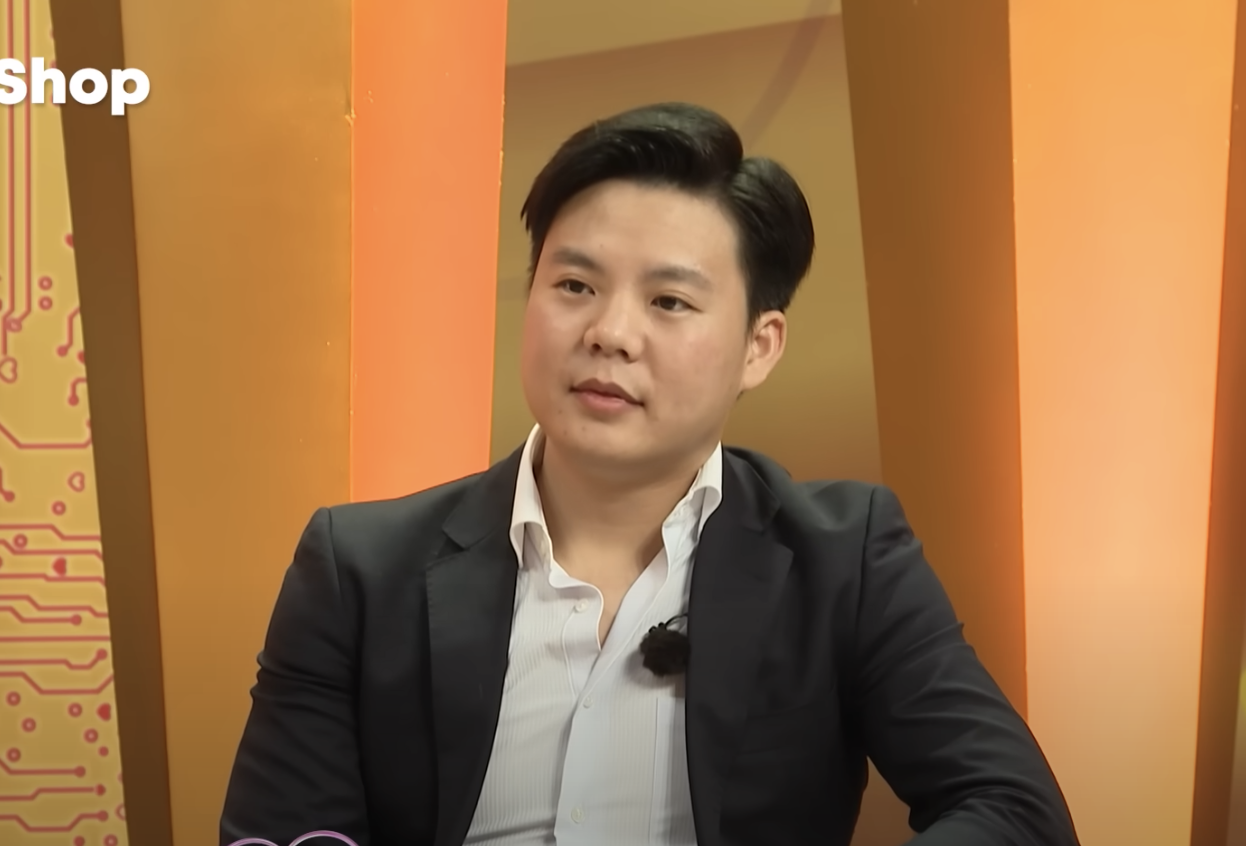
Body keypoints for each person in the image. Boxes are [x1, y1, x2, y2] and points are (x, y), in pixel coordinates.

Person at [219, 102, 1078, 846]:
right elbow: (285, 830)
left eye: (669, 301)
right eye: (574, 285)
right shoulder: (359, 569)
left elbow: (1010, 809)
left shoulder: (845, 559)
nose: (609, 333)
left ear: (759, 347)